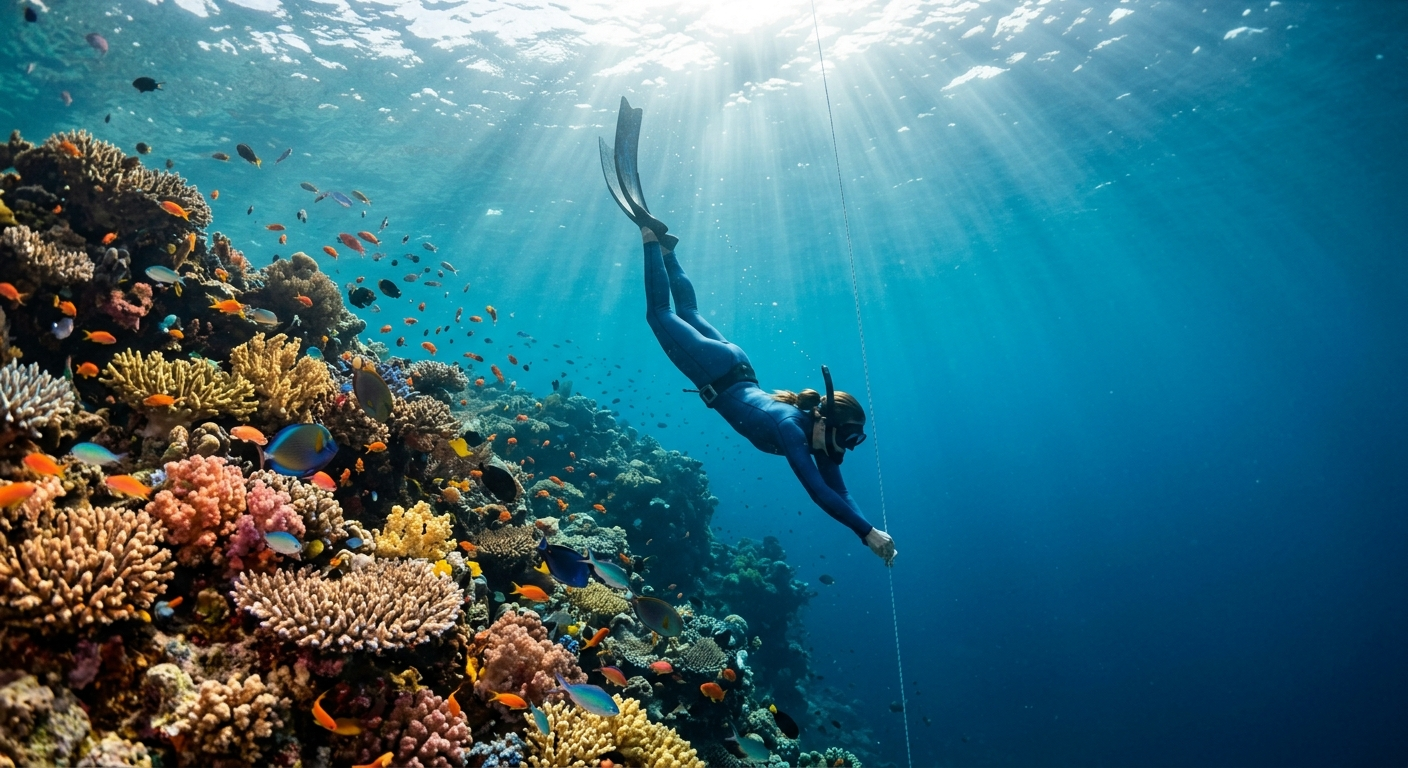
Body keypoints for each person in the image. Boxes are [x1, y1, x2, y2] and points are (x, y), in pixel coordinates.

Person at [599, 98, 897, 565]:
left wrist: (870, 529)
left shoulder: (817, 438)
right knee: (660, 314)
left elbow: (837, 489)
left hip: (737, 365)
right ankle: (651, 239)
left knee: (689, 309)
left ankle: (669, 249)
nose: (847, 449)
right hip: (721, 371)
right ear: (827, 423)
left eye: (854, 440)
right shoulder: (791, 429)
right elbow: (818, 492)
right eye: (850, 437)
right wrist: (865, 534)